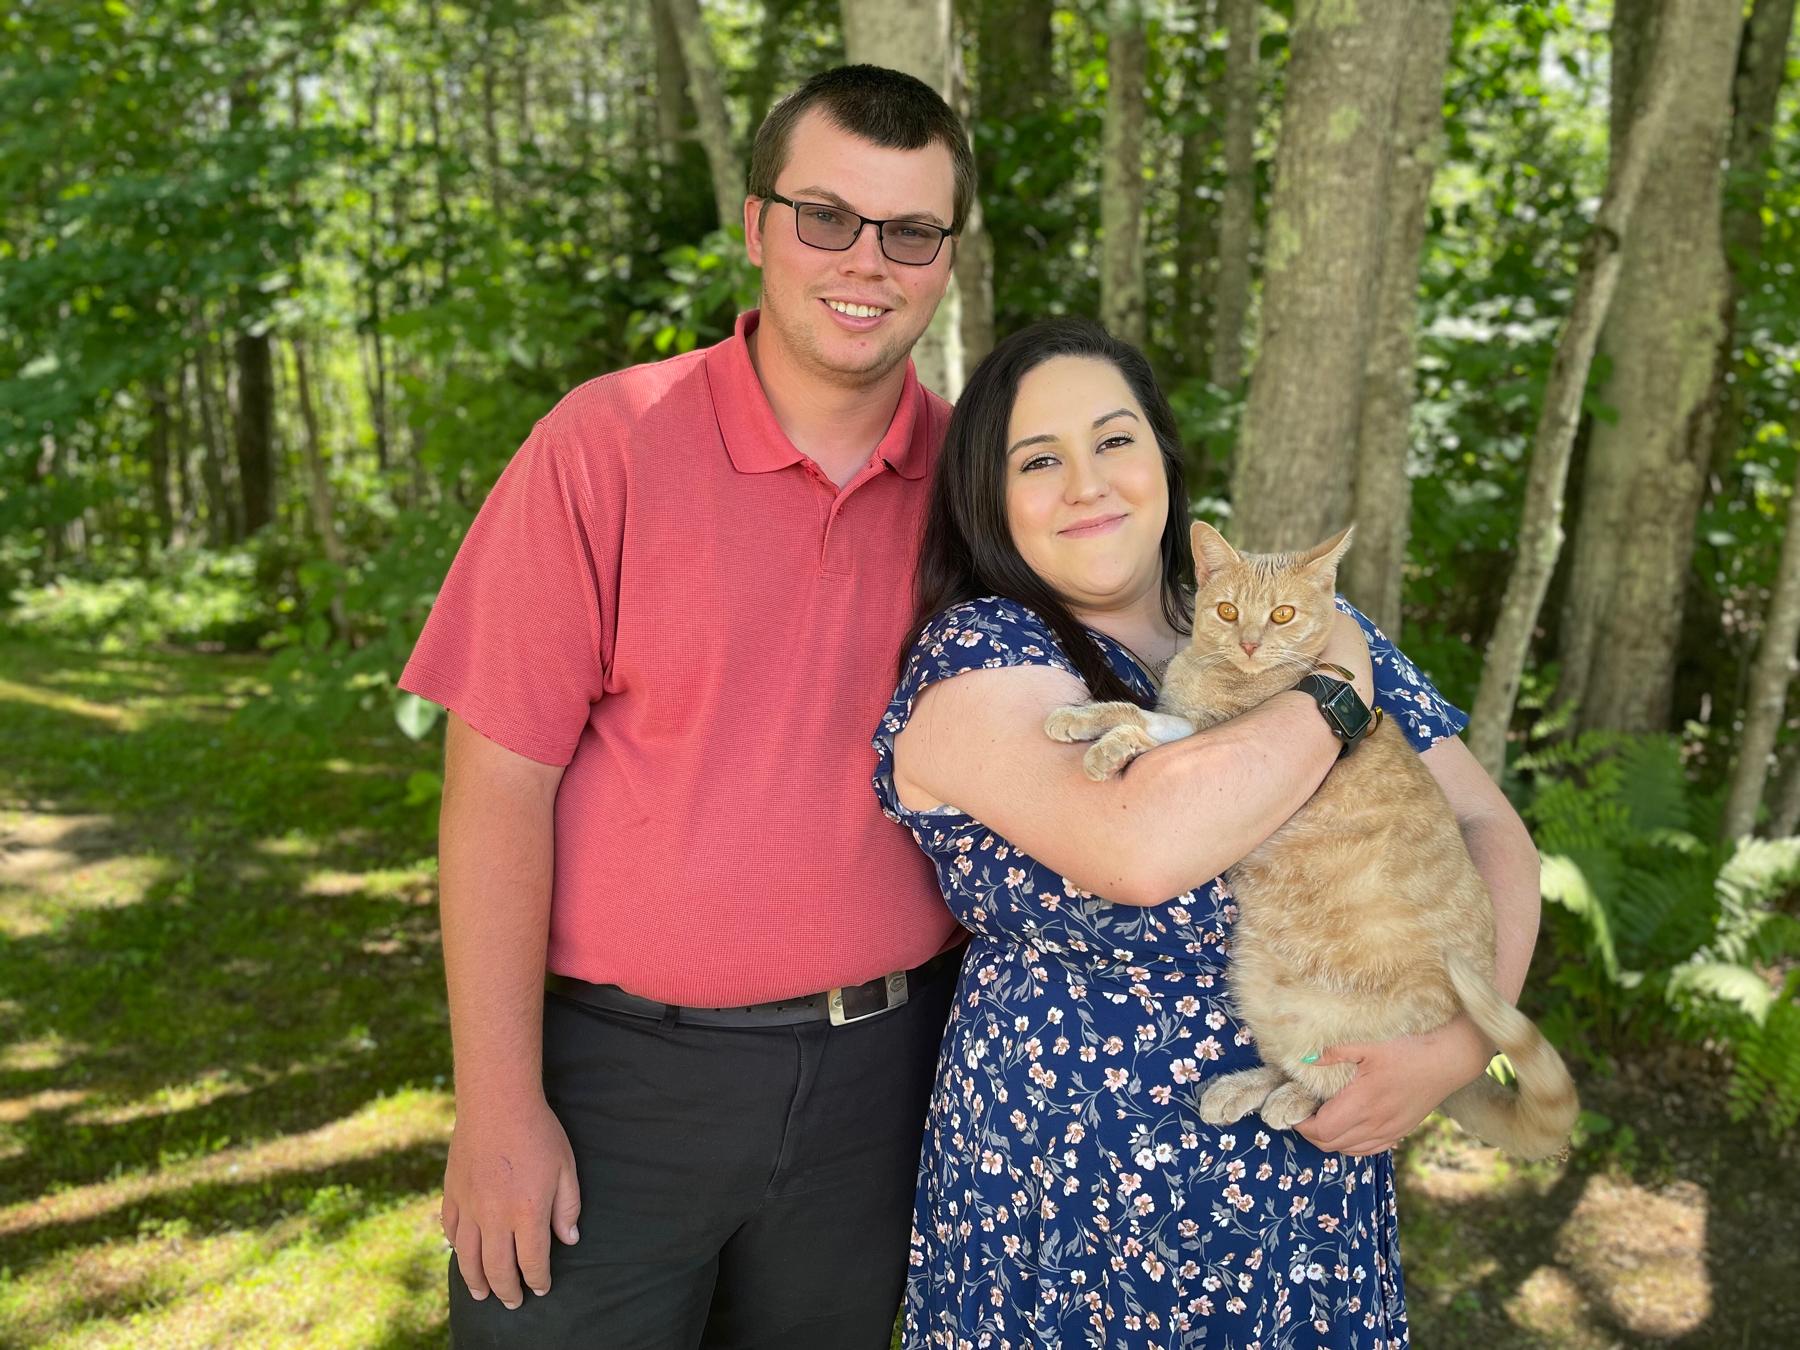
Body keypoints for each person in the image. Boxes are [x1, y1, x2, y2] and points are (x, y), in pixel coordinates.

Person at [399, 65, 979, 1348]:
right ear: (760, 225)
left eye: (911, 233)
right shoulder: (606, 441)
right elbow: (497, 787)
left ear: (946, 260)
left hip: (889, 1087)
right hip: (616, 1084)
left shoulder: (984, 487)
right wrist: (496, 1106)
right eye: (827, 216)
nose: (865, 261)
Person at [875, 319, 1543, 1347]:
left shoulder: (1283, 611)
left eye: (1114, 440)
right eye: (1038, 459)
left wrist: (1457, 1047)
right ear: (990, 499)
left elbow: (1487, 824)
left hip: (1301, 1176)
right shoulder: (980, 653)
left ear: (1163, 461)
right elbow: (1140, 846)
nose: (1087, 482)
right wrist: (1331, 694)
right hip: (1070, 1201)